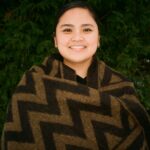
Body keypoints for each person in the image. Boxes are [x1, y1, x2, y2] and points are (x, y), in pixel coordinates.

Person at [1, 1, 150, 149]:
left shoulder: (121, 86)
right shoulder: (32, 85)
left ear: (98, 39)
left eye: (86, 30)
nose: (77, 37)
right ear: (55, 40)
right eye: (67, 30)